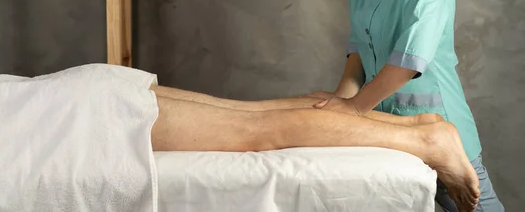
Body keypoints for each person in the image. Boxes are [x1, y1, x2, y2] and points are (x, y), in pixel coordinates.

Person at [303, 0, 503, 212]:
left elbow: (411, 60)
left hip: (441, 132)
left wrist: (353, 109)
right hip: (391, 132)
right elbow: (359, 50)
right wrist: (340, 101)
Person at [149, 83, 480, 212]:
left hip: (105, 109)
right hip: (106, 95)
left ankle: (425, 139)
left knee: (253, 124)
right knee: (250, 112)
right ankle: (417, 126)